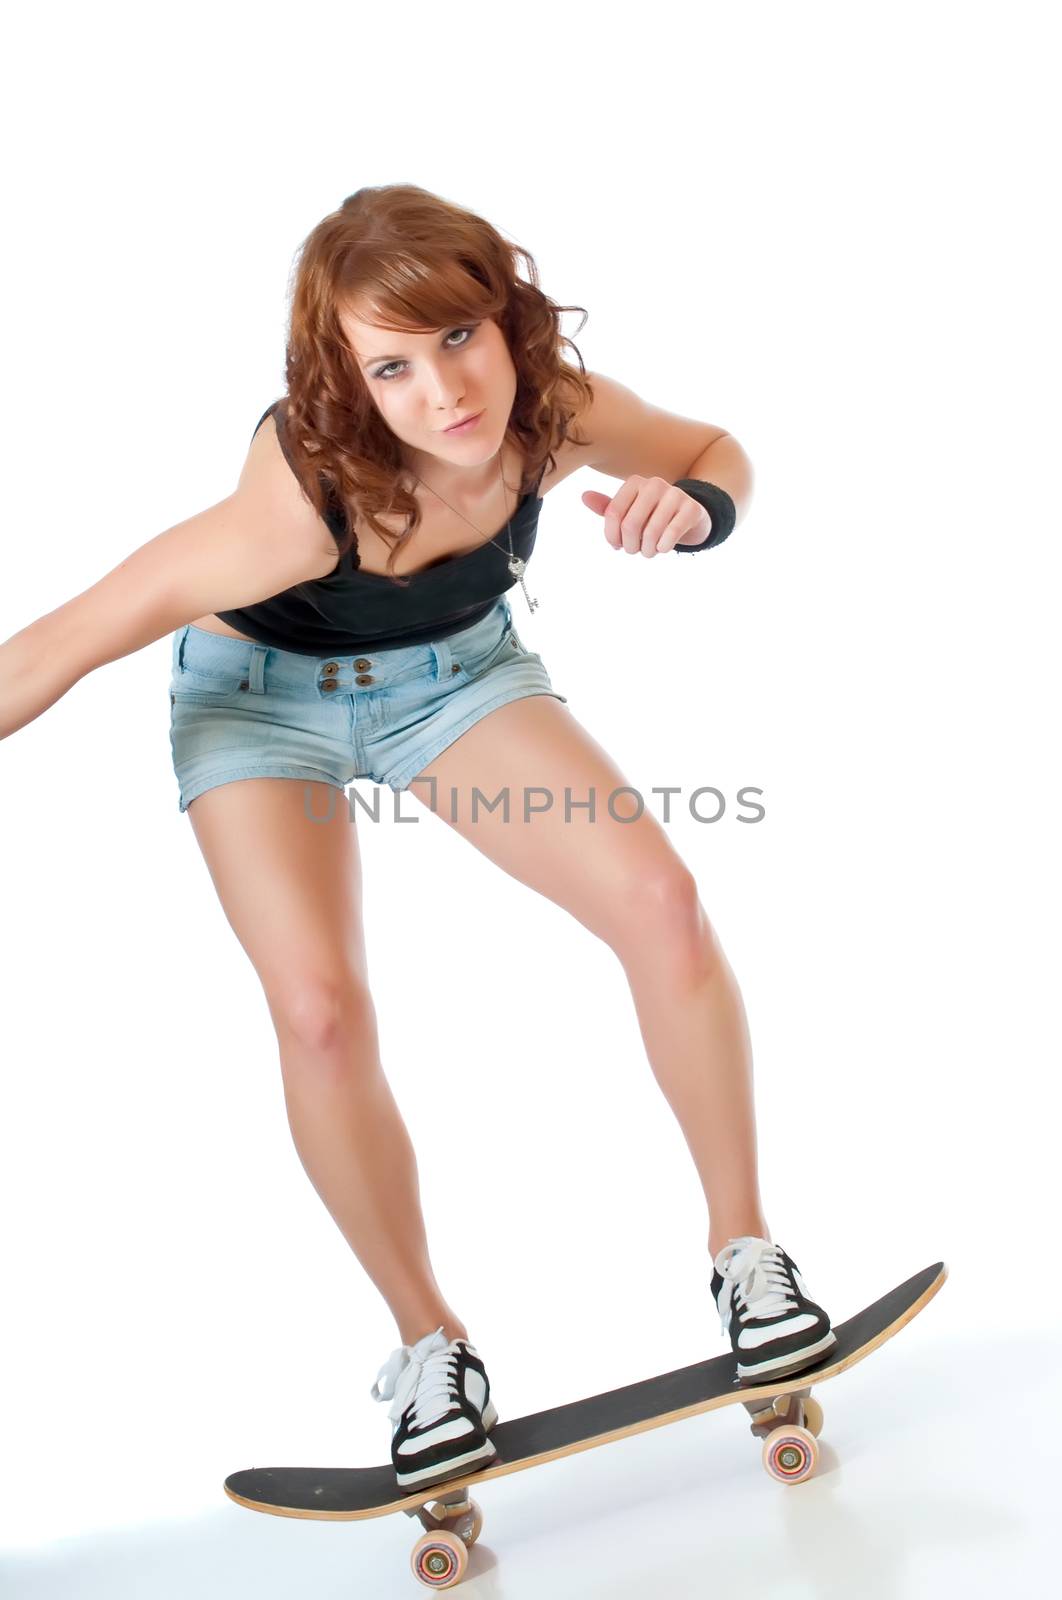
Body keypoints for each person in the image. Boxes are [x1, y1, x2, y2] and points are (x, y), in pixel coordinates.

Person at [0, 183, 837, 1495]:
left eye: (457, 338)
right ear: (349, 382)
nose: (444, 391)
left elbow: (710, 448)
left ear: (503, 320)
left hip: (451, 683)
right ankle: (427, 1344)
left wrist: (696, 510)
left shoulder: (552, 408)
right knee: (319, 1011)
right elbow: (53, 645)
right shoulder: (296, 504)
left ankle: (745, 1254)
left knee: (659, 902)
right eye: (390, 366)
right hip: (255, 709)